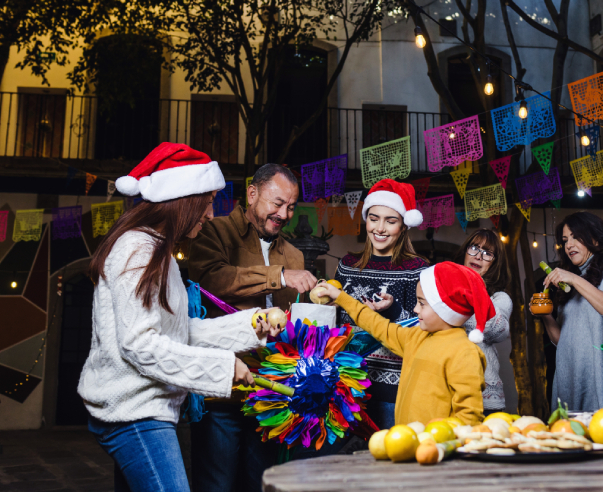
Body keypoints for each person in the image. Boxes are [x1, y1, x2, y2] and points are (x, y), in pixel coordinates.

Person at [78, 143, 280, 492]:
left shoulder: (160, 253)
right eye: (206, 204)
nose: (211, 214)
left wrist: (251, 327)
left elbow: (178, 332)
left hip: (142, 409)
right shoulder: (138, 250)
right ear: (183, 201)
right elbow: (141, 345)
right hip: (134, 414)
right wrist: (223, 368)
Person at [188, 164, 318, 492]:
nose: (285, 213)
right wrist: (279, 276)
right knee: (217, 485)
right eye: (277, 203)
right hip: (223, 392)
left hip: (273, 396)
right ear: (252, 193)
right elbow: (211, 278)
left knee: (263, 484)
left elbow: (296, 320)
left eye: (291, 206)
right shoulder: (213, 231)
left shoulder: (295, 253)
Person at [320, 261, 491, 425]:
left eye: (422, 303)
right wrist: (341, 297)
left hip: (440, 449)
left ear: (445, 308)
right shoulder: (415, 337)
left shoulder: (465, 352)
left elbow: (469, 417)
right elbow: (377, 325)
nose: (416, 309)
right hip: (407, 443)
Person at [333, 179, 428, 429]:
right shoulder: (346, 265)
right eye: (374, 218)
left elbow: (424, 330)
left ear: (404, 226)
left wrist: (393, 310)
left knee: (390, 461)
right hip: (344, 385)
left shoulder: (417, 269)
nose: (380, 228)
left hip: (392, 390)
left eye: (391, 220)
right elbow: (333, 322)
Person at [534, 211, 603, 412]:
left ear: (595, 239)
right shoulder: (570, 284)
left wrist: (574, 280)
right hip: (571, 380)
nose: (568, 245)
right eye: (565, 240)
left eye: (575, 237)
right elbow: (561, 340)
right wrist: (546, 315)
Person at [452, 229, 512, 414]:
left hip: (485, 398)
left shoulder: (499, 298)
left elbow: (498, 331)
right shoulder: (445, 287)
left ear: (495, 263)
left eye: (487, 253)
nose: (478, 256)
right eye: (474, 248)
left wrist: (476, 289)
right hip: (447, 388)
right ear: (465, 251)